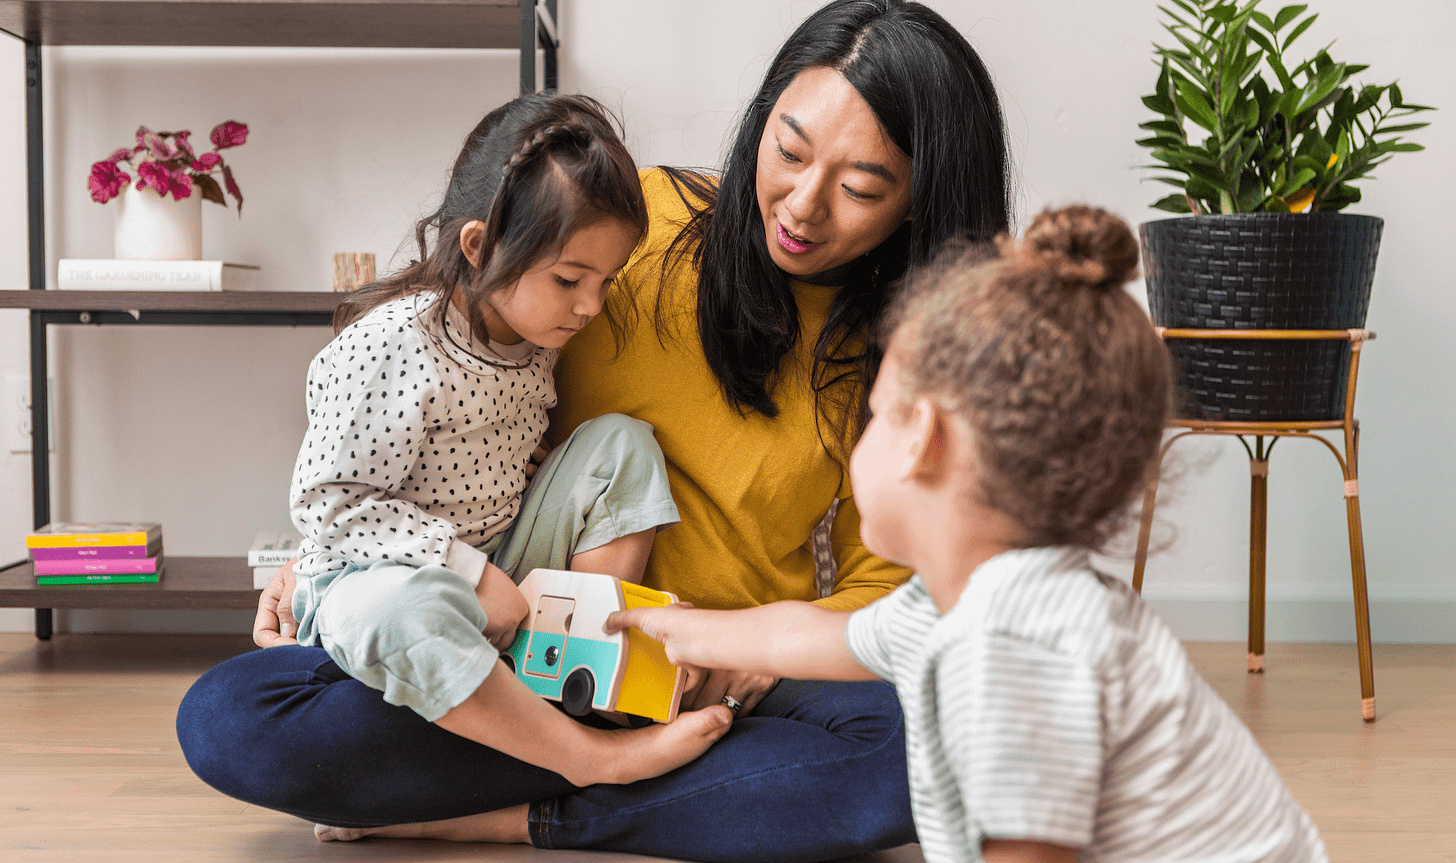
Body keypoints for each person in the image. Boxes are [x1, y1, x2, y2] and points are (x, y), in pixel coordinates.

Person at [177, 1, 1011, 859]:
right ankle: (623, 769)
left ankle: (523, 806)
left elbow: (894, 590)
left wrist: (756, 647)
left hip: (728, 667)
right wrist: (338, 554)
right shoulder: (625, 228)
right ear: (761, 121)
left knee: (931, 741)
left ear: (920, 203)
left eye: (862, 187)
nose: (801, 203)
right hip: (511, 638)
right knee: (230, 718)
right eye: (789, 151)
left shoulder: (914, 351)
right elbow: (444, 397)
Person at [595, 207, 1326, 863]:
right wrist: (675, 629)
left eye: (875, 413)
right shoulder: (958, 603)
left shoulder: (1011, 644)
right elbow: (797, 638)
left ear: (923, 439)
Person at [267, 89, 735, 790]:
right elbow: (329, 504)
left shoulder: (532, 332)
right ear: (480, 246)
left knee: (623, 445)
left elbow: (502, 440)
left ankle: (579, 666)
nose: (591, 306)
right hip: (382, 578)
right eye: (570, 279)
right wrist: (468, 573)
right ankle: (586, 757)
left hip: (505, 566)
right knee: (401, 612)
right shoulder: (393, 343)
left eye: (605, 281)